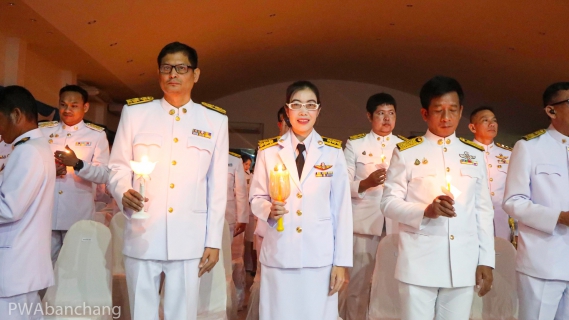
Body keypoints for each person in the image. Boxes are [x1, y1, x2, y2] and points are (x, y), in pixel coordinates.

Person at [108, 41, 228, 320]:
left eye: (181, 68)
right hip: (143, 232)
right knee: (141, 312)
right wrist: (122, 191)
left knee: (182, 314)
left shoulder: (213, 120)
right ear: (159, 73)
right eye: (166, 68)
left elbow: (216, 186)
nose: (173, 74)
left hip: (189, 237)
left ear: (195, 74)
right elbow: (117, 167)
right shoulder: (136, 113)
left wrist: (213, 241)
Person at [380, 76, 494, 320]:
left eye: (453, 110)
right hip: (419, 264)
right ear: (424, 113)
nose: (446, 118)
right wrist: (425, 211)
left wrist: (486, 260)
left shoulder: (472, 154)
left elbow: (483, 210)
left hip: (462, 265)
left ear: (461, 111)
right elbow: (388, 203)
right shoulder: (408, 152)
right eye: (438, 111)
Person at [249, 80, 353, 320]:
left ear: (318, 110)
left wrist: (341, 262)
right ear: (287, 111)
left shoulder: (332, 151)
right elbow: (256, 197)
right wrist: (268, 208)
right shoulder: (268, 151)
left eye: (310, 105)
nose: (303, 111)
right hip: (280, 252)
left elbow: (342, 210)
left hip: (319, 257)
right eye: (296, 105)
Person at [503, 82, 569, 319]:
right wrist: (558, 217)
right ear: (551, 111)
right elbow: (513, 201)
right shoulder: (530, 147)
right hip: (543, 261)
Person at [341, 93, 406, 320]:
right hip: (364, 224)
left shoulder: (404, 146)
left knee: (390, 284)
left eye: (391, 113)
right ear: (370, 116)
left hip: (396, 225)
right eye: (380, 113)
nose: (387, 119)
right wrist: (366, 183)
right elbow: (342, 184)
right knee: (357, 284)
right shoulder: (356, 144)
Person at [0, 86, 55, 319]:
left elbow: (10, 209)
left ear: (16, 115)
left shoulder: (27, 152)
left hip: (15, 263)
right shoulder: (35, 148)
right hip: (23, 262)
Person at [39, 84, 110, 265]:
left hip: (78, 213)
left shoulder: (96, 135)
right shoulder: (44, 132)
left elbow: (103, 174)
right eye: (63, 104)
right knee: (44, 267)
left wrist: (78, 165)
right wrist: (50, 170)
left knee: (73, 268)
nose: (67, 109)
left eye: (74, 105)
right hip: (48, 211)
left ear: (85, 107)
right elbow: (32, 166)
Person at [468, 106, 514, 242]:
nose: (491, 124)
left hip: (503, 221)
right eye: (485, 120)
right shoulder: (463, 153)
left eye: (494, 120)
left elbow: (516, 192)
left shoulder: (509, 154)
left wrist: (517, 228)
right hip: (473, 221)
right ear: (472, 128)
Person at [227, 151, 249, 309]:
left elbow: (241, 191)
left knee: (231, 262)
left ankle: (234, 302)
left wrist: (242, 218)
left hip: (228, 219)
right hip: (200, 218)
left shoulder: (233, 160)